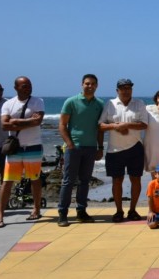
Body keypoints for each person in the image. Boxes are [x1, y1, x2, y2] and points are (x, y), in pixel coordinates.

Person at [0, 77, 45, 228]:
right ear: (16, 87)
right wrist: (28, 121)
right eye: (24, 86)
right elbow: (4, 125)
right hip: (14, 149)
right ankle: (0, 215)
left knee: (35, 179)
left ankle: (36, 209)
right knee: (7, 181)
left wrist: (14, 122)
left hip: (33, 146)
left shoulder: (38, 101)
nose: (27, 88)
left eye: (29, 85)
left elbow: (38, 121)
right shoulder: (9, 104)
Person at [98, 78, 148, 222]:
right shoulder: (110, 104)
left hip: (135, 147)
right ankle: (119, 211)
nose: (126, 91)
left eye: (129, 88)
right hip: (114, 150)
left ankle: (132, 210)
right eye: (123, 88)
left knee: (135, 179)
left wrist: (126, 125)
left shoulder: (139, 103)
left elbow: (144, 125)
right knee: (117, 181)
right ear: (117, 90)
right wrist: (115, 126)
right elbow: (100, 126)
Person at [57, 74, 104, 227]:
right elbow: (62, 125)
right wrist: (69, 144)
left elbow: (99, 129)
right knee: (68, 181)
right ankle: (62, 213)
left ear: (97, 86)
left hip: (90, 148)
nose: (89, 86)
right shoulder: (71, 102)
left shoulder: (99, 104)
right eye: (87, 83)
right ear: (82, 84)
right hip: (74, 147)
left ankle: (81, 211)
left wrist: (100, 147)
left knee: (85, 181)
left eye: (92, 84)